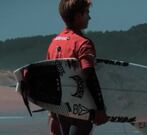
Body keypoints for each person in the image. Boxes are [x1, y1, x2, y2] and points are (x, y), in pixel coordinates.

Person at [46, 0, 108, 134]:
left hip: (61, 108)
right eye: (87, 13)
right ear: (78, 15)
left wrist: (52, 113)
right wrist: (100, 108)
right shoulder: (83, 43)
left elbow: (50, 78)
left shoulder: (54, 43)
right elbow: (89, 75)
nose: (90, 17)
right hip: (81, 107)